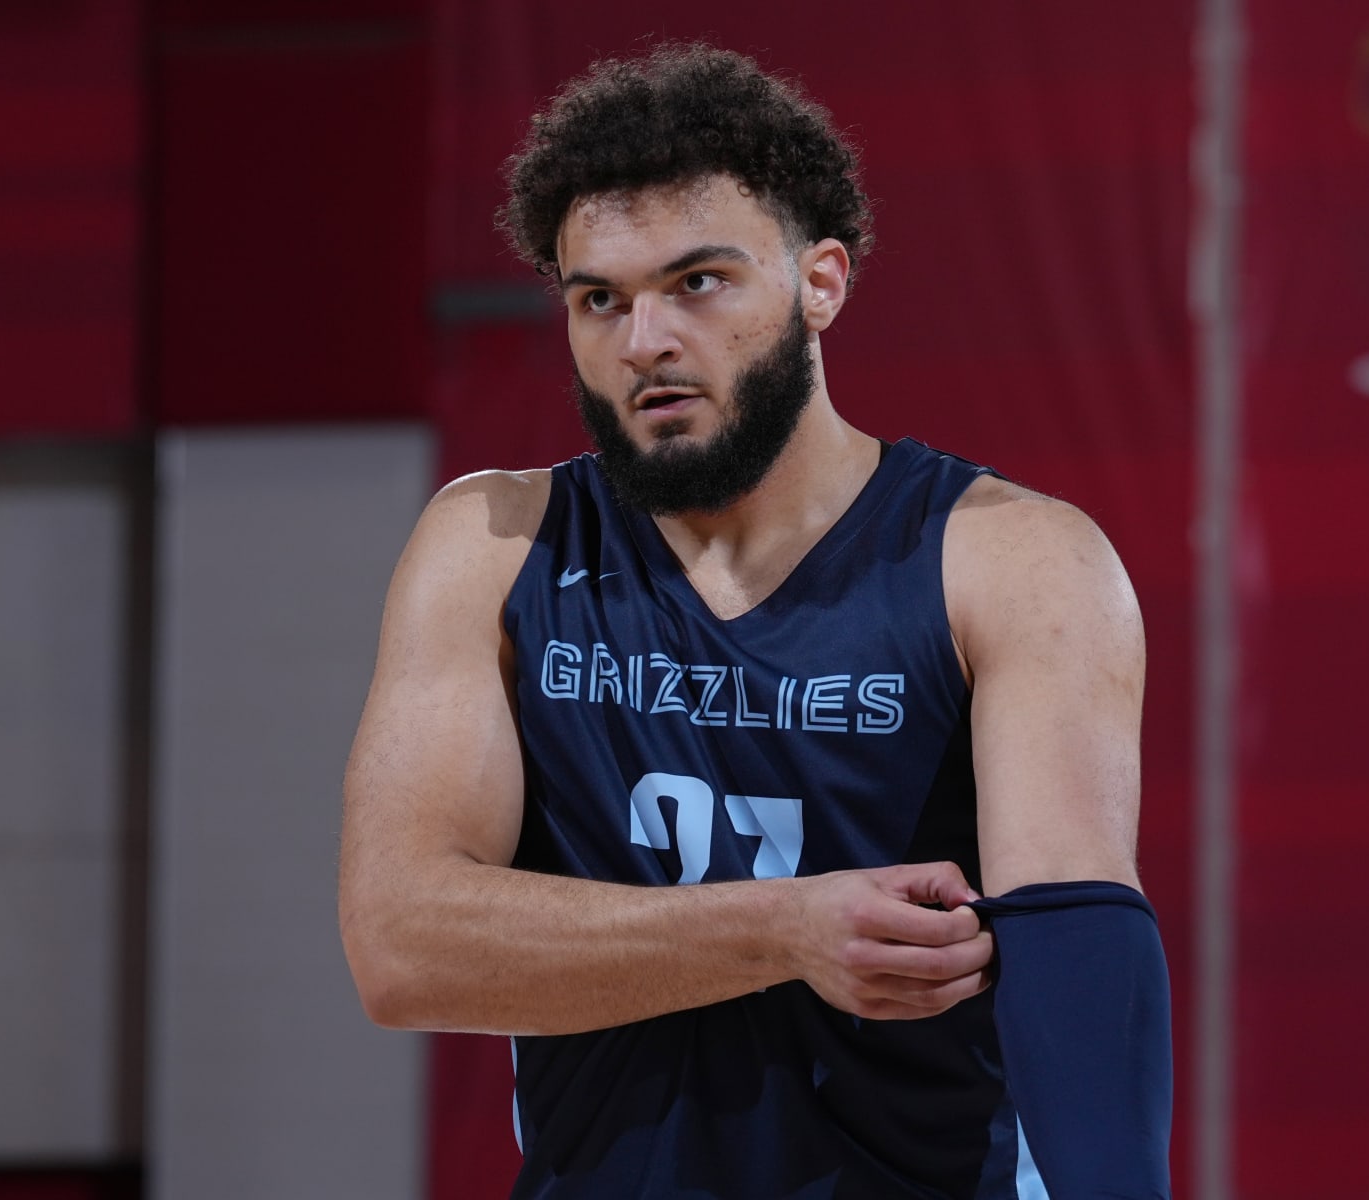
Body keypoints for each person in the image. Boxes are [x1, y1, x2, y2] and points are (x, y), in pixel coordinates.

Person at [340, 42, 1170, 1199]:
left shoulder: (1014, 557)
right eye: (600, 300)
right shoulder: (492, 545)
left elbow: (1076, 943)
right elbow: (402, 946)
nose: (644, 343)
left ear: (820, 281)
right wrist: (784, 931)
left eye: (697, 283)